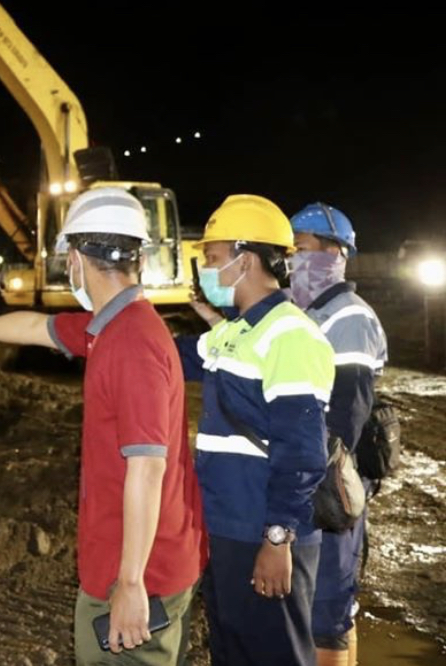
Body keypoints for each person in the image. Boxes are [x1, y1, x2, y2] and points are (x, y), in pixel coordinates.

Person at [0, 187, 205, 664]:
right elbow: (35, 328)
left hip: (138, 575)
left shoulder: (131, 344)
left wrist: (131, 583)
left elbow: (147, 469)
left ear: (75, 257)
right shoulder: (113, 326)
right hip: (141, 562)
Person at [178, 195, 333, 666]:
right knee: (232, 650)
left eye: (211, 257)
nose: (204, 269)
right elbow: (172, 356)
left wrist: (277, 538)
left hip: (262, 532)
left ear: (244, 260)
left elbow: (302, 450)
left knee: (274, 654)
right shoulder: (233, 331)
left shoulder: (291, 335)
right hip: (228, 526)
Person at [288, 203, 387, 666]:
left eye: (302, 250)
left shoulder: (348, 316)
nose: (293, 261)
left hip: (332, 474)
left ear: (335, 255)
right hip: (313, 467)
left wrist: (317, 482)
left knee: (328, 607)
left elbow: (347, 412)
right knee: (314, 604)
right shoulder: (305, 310)